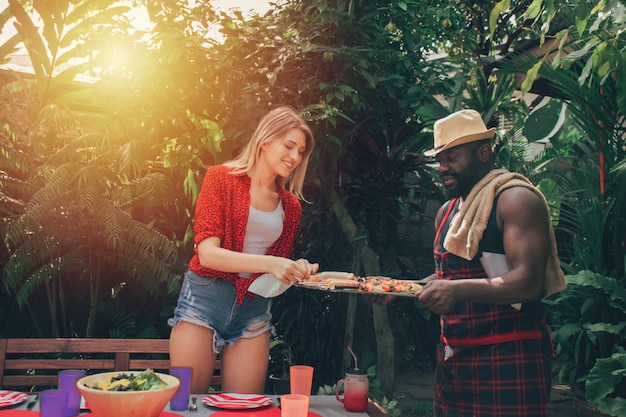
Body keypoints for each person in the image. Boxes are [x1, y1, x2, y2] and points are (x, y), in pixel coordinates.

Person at [418, 109, 567, 416]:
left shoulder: (515, 200)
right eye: (440, 159)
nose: (443, 167)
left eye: (453, 158)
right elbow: (453, 274)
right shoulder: (446, 211)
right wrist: (401, 290)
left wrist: (457, 291)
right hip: (454, 361)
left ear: (483, 152)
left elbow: (528, 282)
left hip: (509, 356)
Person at [168, 106, 319, 395]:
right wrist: (273, 262)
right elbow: (207, 254)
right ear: (265, 140)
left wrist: (295, 268)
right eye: (289, 146)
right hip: (204, 300)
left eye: (301, 151)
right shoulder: (220, 179)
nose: (295, 157)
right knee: (187, 405)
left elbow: (273, 273)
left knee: (244, 408)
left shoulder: (291, 207)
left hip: (253, 309)